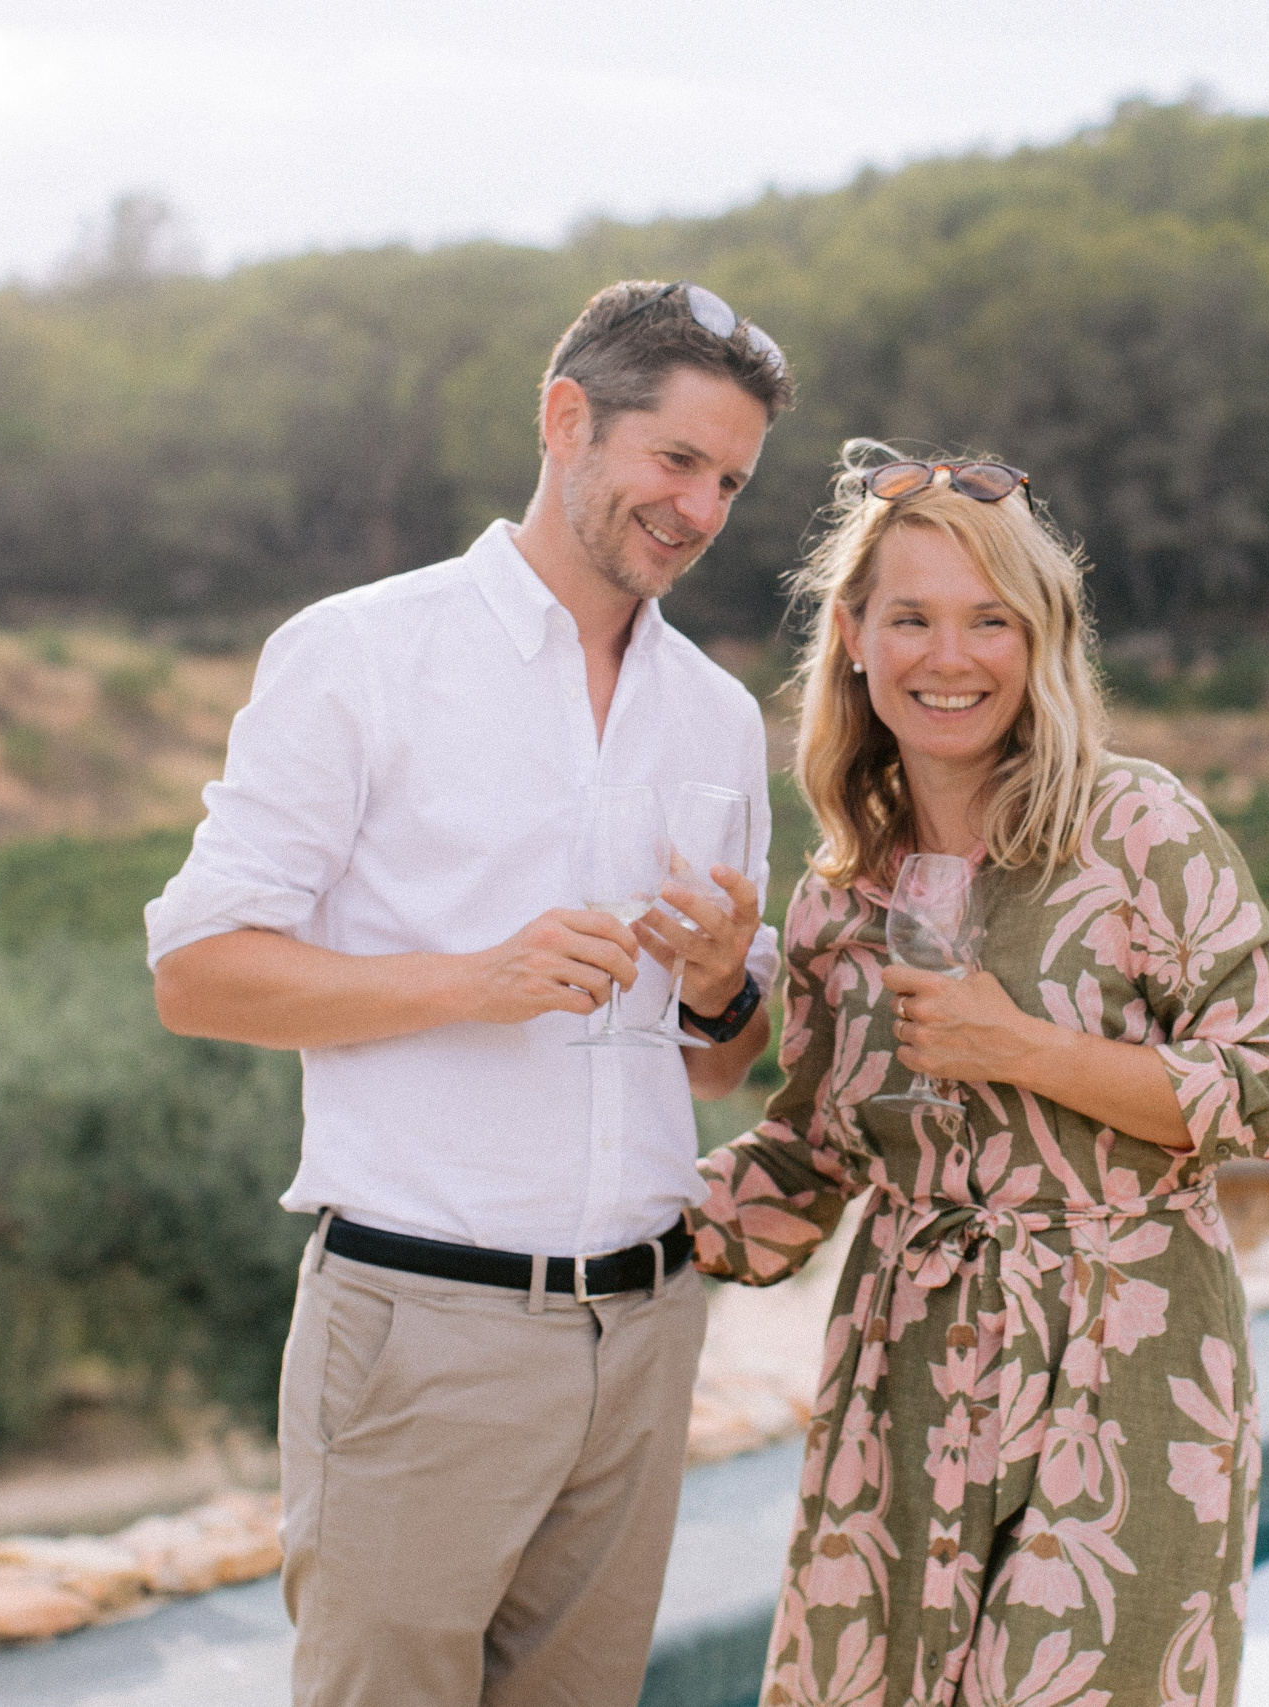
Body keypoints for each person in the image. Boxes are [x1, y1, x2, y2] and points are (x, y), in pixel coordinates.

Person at [144, 279, 794, 1707]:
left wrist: (710, 986)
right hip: (422, 1326)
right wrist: (475, 979)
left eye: (731, 481)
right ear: (569, 421)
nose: (699, 507)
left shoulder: (720, 717)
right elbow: (196, 972)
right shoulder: (361, 652)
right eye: (675, 459)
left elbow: (719, 1064)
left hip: (646, 1331)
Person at [691, 444, 1269, 1707]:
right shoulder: (833, 898)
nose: (949, 657)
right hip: (900, 1370)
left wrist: (1021, 1049)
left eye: (990, 621)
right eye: (910, 618)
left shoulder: (1139, 828)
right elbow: (812, 1160)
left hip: (1126, 1358)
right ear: (854, 639)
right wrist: (595, 1216)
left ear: (1042, 645)